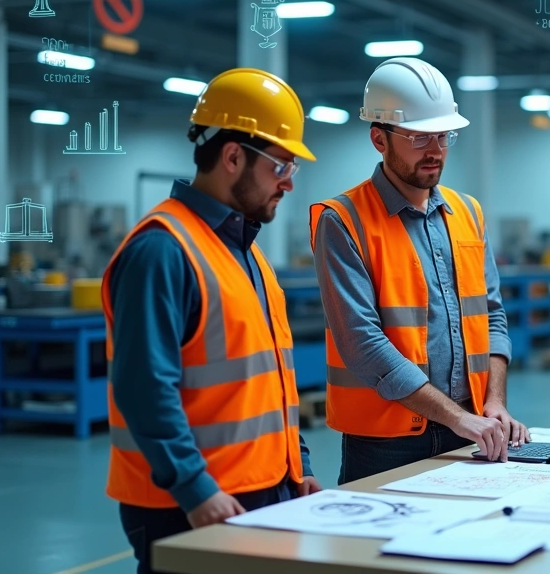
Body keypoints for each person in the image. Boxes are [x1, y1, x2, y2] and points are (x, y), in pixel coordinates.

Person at [104, 68, 322, 574]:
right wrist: (195, 488)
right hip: (192, 507)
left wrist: (297, 468)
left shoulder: (246, 252)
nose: (289, 182)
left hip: (263, 491)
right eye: (281, 165)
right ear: (233, 157)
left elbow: (269, 380)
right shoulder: (162, 250)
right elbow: (144, 389)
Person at [311, 57, 527, 484]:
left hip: (471, 427)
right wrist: (457, 417)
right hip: (384, 443)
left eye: (444, 136)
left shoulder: (468, 213)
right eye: (418, 137)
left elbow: (492, 316)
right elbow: (362, 344)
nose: (435, 151)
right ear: (379, 139)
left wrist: (494, 401)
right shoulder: (343, 220)